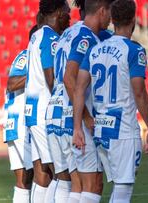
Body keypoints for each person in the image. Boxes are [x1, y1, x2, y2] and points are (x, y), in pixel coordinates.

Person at [73, 0, 148, 202]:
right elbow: (139, 92)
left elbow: (79, 88)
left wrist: (77, 126)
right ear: (134, 19)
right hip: (123, 130)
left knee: (115, 187)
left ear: (112, 19)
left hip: (101, 129)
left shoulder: (95, 50)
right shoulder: (134, 50)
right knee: (123, 188)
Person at [46, 0, 114, 202]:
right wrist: (85, 116)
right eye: (110, 12)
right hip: (72, 114)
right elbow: (70, 77)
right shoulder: (86, 37)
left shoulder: (69, 32)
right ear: (102, 10)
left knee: (74, 183)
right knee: (92, 184)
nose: (111, 18)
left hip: (56, 113)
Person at [24, 0, 70, 202]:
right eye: (67, 11)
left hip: (33, 111)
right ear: (59, 12)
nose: (69, 15)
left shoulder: (36, 35)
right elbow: (51, 78)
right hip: (44, 111)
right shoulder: (50, 38)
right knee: (61, 174)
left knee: (47, 175)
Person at [3, 25, 40, 203]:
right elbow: (11, 83)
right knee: (40, 173)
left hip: (18, 124)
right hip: (21, 124)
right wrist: (36, 72)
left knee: (25, 179)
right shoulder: (26, 57)